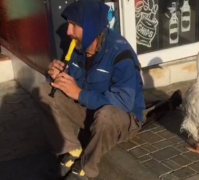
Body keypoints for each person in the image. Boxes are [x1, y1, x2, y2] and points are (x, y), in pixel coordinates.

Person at [34, 0, 146, 180]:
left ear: (91, 27)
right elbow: (70, 82)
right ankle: (71, 150)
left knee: (106, 115)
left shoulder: (120, 53)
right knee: (43, 91)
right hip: (90, 112)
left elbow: (124, 102)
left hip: (123, 119)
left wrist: (78, 93)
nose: (68, 31)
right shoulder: (79, 47)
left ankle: (87, 168)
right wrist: (56, 75)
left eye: (73, 25)